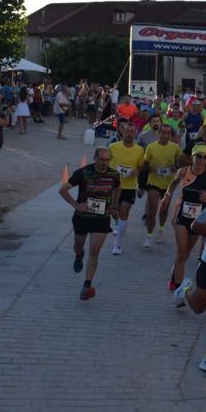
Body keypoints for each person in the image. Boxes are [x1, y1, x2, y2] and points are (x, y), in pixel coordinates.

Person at [58, 147, 120, 300]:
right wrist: (76, 205)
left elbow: (118, 188)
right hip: (82, 217)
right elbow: (63, 190)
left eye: (107, 160)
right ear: (95, 158)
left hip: (101, 218)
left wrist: (113, 206)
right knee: (78, 245)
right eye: (102, 159)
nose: (105, 163)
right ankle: (79, 255)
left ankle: (87, 285)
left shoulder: (114, 174)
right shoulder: (83, 172)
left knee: (94, 251)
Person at [162, 144, 206, 291]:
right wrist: (167, 196)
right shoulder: (183, 172)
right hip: (180, 217)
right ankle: (178, 289)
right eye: (198, 156)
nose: (201, 160)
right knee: (181, 253)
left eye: (205, 157)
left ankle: (174, 276)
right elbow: (173, 184)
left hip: (198, 221)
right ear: (192, 157)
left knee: (186, 253)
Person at [107, 121, 145, 256]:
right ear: (122, 132)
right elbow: (105, 162)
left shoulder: (139, 150)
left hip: (129, 187)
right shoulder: (113, 147)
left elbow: (141, 167)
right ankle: (118, 225)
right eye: (127, 131)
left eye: (132, 131)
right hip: (113, 187)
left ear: (135, 133)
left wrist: (136, 172)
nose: (129, 134)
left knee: (124, 212)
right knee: (114, 211)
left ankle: (117, 244)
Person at [141, 124, 182, 250]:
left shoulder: (175, 148)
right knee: (152, 208)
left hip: (168, 184)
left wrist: (175, 168)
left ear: (171, 135)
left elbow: (179, 164)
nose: (165, 135)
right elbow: (145, 165)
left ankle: (161, 230)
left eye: (168, 133)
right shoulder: (151, 147)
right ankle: (148, 236)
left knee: (164, 209)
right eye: (163, 132)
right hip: (153, 182)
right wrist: (150, 168)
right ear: (158, 133)